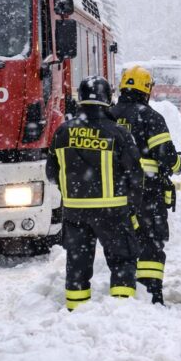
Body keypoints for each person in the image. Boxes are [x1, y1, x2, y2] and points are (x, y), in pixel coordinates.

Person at [46, 76, 142, 311]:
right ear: (108, 99)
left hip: (75, 212)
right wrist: (132, 207)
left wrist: (72, 191)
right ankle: (122, 309)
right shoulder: (118, 133)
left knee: (78, 263)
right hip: (113, 211)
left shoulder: (62, 132)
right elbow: (135, 175)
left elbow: (51, 172)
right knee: (122, 260)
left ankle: (75, 310)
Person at [110, 65, 181, 305]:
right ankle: (151, 294)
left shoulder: (109, 116)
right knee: (151, 243)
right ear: (147, 89)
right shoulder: (150, 117)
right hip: (147, 193)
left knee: (122, 242)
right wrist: (178, 163)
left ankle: (123, 292)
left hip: (114, 193)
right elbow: (167, 157)